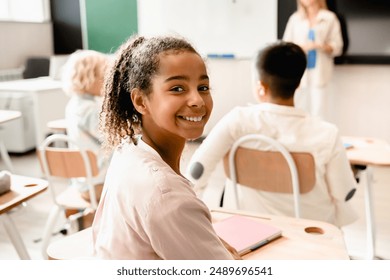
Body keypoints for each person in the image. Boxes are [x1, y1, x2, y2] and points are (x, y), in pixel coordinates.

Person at [91, 35, 240, 260]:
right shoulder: (166, 194)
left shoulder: (128, 149)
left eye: (203, 87)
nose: (197, 100)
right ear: (141, 101)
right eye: (178, 88)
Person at [186, 41, 358, 228]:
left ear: (260, 86)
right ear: (299, 84)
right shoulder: (327, 134)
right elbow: (345, 193)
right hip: (308, 237)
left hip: (248, 232)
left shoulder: (237, 120)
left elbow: (196, 171)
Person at [62, 49, 110, 203]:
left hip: (82, 182)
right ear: (89, 78)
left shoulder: (73, 105)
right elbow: (114, 137)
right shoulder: (90, 110)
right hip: (98, 185)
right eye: (103, 76)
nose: (107, 81)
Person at [282, 0, 343, 120]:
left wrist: (319, 46)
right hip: (299, 74)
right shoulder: (295, 19)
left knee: (319, 113)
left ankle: (318, 139)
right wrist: (301, 48)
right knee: (298, 111)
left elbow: (338, 46)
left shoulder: (329, 18)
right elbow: (286, 45)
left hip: (320, 74)